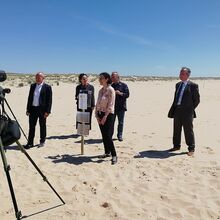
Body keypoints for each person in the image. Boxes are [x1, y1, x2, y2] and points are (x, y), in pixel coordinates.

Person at [168, 67, 200, 156]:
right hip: (177, 110)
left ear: (188, 75)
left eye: (182, 73)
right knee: (176, 129)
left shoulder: (193, 85)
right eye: (180, 73)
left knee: (188, 130)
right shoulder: (178, 84)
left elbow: (197, 100)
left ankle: (191, 148)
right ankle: (176, 146)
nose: (180, 75)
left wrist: (190, 109)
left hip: (188, 112)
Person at [24, 72, 52, 149]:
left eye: (39, 77)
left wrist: (48, 111)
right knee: (31, 127)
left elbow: (49, 101)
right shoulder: (32, 86)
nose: (37, 79)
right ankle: (30, 143)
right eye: (36, 77)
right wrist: (28, 109)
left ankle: (42, 141)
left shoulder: (47, 87)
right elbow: (30, 98)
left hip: (42, 110)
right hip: (33, 109)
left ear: (43, 78)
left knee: (42, 126)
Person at [95, 72, 117, 165]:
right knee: (103, 135)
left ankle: (114, 155)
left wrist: (105, 116)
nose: (99, 80)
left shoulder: (111, 90)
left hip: (108, 115)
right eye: (99, 78)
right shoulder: (101, 90)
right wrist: (96, 115)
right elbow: (97, 103)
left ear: (107, 79)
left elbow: (111, 105)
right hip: (100, 114)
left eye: (101, 78)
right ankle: (107, 152)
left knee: (108, 136)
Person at [111, 72, 130, 141]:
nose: (112, 78)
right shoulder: (111, 86)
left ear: (118, 77)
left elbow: (127, 95)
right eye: (111, 77)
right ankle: (110, 135)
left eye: (113, 77)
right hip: (112, 107)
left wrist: (120, 93)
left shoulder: (124, 85)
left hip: (121, 107)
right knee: (111, 122)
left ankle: (120, 135)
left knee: (120, 122)